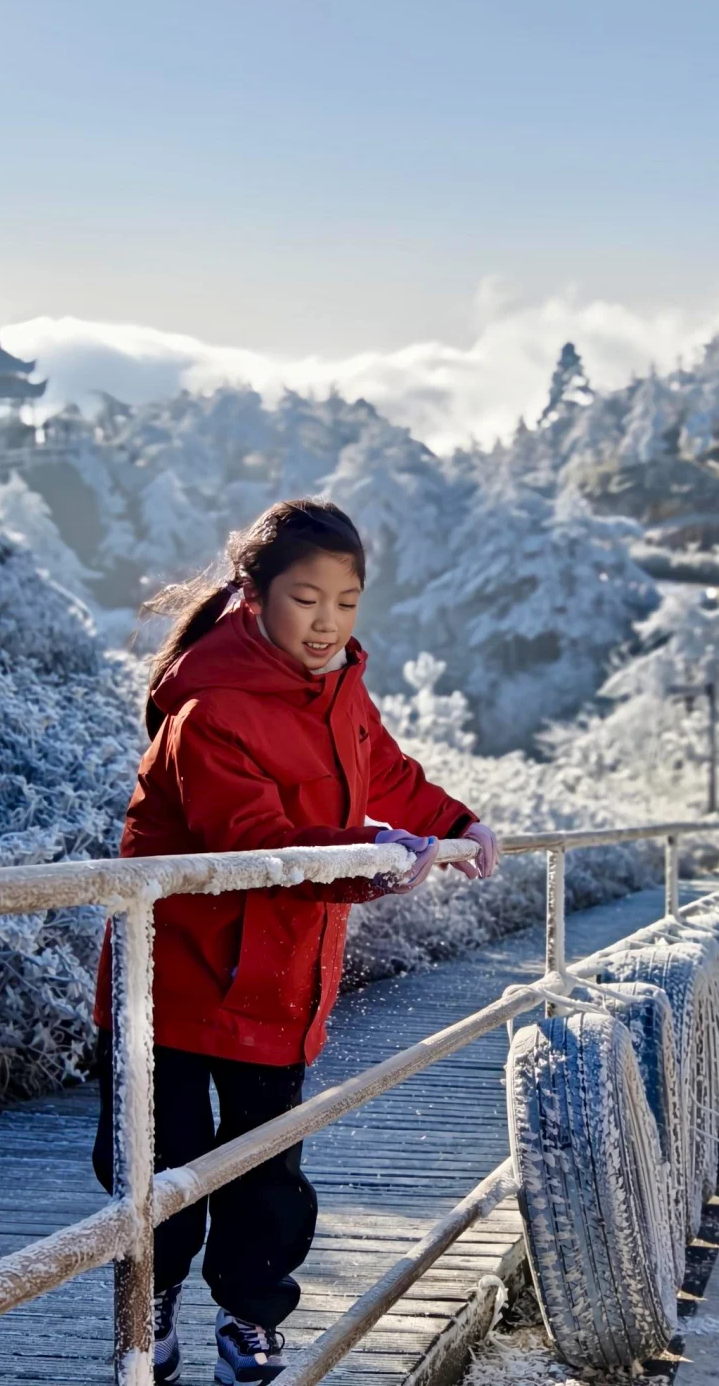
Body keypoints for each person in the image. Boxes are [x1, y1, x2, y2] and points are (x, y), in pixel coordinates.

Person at [92, 498, 498, 1385]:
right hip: (173, 982)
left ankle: (249, 1315)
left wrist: (455, 822)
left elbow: (386, 770)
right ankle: (150, 1299)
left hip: (278, 978)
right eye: (306, 599)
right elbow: (254, 846)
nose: (327, 622)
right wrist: (376, 864)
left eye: (346, 602)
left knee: (269, 1170)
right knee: (162, 1165)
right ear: (254, 594)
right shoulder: (210, 706)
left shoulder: (342, 686)